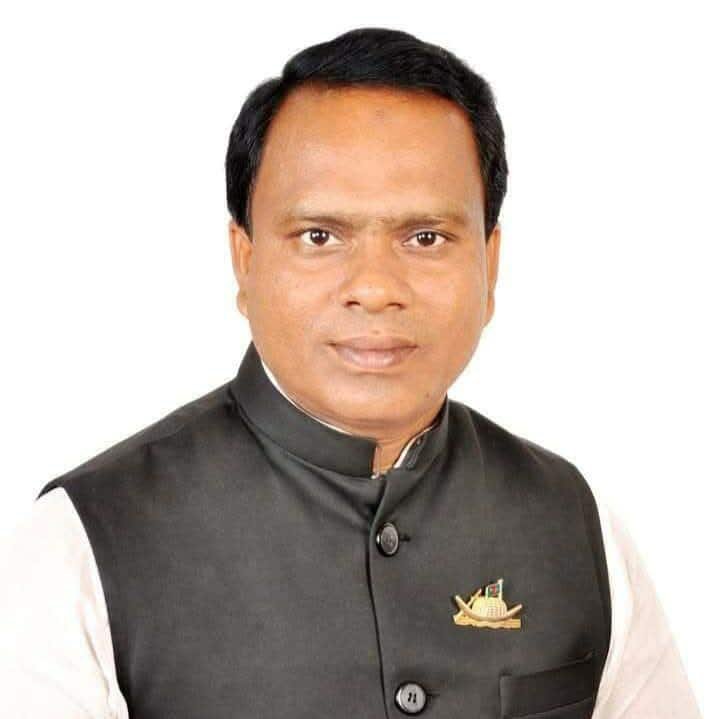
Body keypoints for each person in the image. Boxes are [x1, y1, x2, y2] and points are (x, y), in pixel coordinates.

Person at [0, 26, 702, 719]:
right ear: (245, 259)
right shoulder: (80, 546)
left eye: (425, 237)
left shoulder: (574, 522)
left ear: (490, 264)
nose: (374, 287)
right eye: (320, 236)